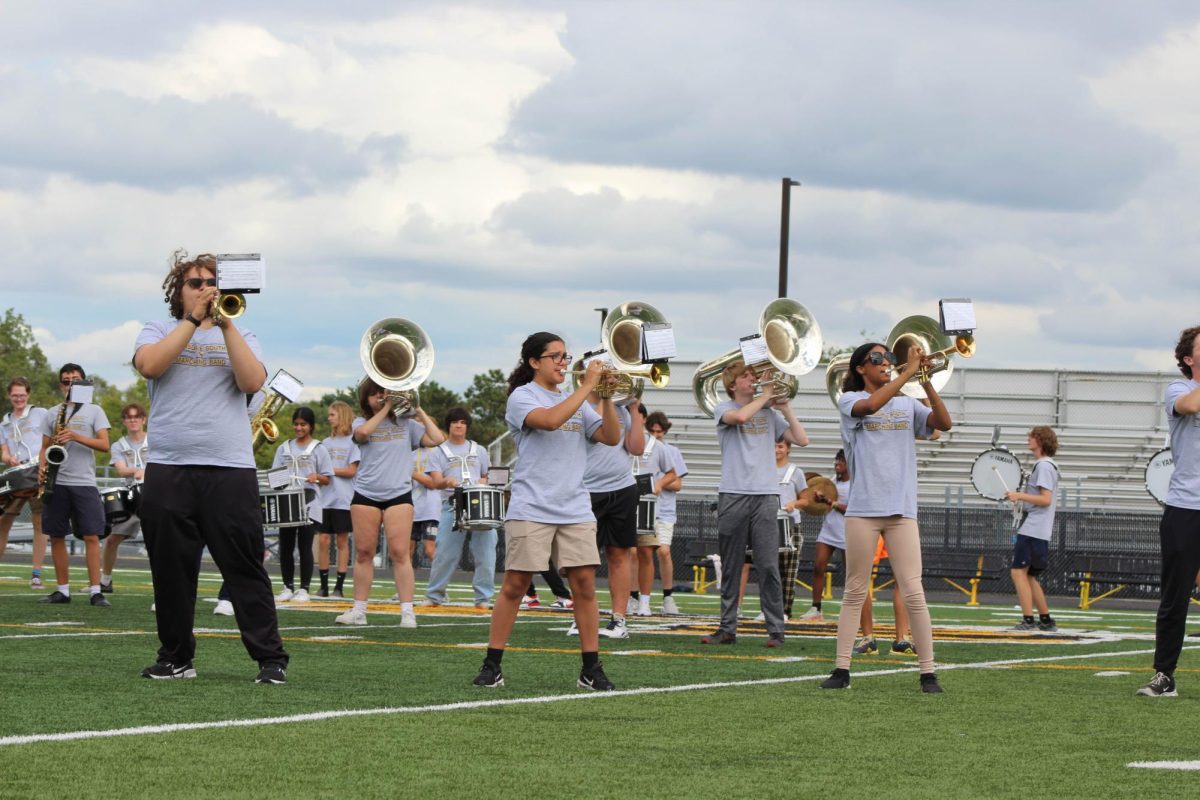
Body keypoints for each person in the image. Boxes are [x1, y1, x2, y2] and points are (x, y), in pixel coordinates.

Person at [134, 249, 289, 683]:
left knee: (244, 567)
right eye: (195, 283)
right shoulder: (159, 329)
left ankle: (270, 658)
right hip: (170, 467)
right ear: (178, 292)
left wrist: (225, 323)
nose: (204, 289)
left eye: (210, 282)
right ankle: (176, 657)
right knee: (171, 571)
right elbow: (150, 365)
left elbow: (252, 382)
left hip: (229, 468)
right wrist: (191, 321)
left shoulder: (243, 333)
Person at [472, 332, 619, 690]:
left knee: (584, 586)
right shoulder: (522, 397)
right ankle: (492, 665)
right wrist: (587, 387)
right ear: (534, 362)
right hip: (532, 504)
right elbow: (551, 420)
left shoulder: (578, 400)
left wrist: (607, 398)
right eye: (555, 356)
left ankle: (591, 668)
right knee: (515, 586)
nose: (562, 363)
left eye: (565, 357)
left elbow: (612, 438)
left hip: (574, 506)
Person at [821, 341, 951, 693]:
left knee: (914, 591)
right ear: (860, 368)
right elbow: (870, 406)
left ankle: (928, 672)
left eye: (888, 358)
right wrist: (907, 371)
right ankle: (842, 670)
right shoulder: (849, 400)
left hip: (901, 510)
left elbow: (944, 423)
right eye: (876, 359)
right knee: (854, 590)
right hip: (863, 511)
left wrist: (924, 381)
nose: (885, 363)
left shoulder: (908, 403)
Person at [701, 360, 808, 648]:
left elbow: (802, 439)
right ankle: (727, 628)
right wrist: (765, 396)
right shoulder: (723, 408)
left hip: (765, 495)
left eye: (753, 375)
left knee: (768, 565)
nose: (753, 379)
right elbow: (739, 418)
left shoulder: (769, 413)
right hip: (733, 493)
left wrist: (784, 407)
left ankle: (776, 629)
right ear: (733, 385)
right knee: (732, 565)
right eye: (747, 376)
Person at [333, 379, 444, 627]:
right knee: (363, 553)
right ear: (366, 399)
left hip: (399, 495)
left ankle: (407, 612)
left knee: (400, 553)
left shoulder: (407, 425)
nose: (380, 397)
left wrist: (418, 409)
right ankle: (359, 610)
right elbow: (361, 435)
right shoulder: (361, 423)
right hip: (366, 494)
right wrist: (385, 408)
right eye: (373, 394)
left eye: (383, 393)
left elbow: (437, 438)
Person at [1138, 326, 1200, 697]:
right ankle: (1164, 675)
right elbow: (1192, 406)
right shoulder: (1178, 390)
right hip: (1186, 505)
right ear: (1189, 359)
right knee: (1174, 596)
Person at [36, 363, 111, 606]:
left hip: (84, 481)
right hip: (57, 481)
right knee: (56, 535)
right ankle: (63, 590)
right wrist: (41, 468)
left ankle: (95, 591)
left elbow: (104, 445)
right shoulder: (52, 412)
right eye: (66, 381)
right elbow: (45, 447)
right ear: (61, 385)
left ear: (84, 383)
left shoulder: (95, 411)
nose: (71, 384)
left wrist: (75, 435)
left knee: (91, 535)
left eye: (75, 380)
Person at [581, 370, 645, 639]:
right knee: (582, 561)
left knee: (619, 555)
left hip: (622, 488)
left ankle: (618, 620)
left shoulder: (622, 410)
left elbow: (637, 448)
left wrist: (634, 407)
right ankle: (583, 617)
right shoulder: (580, 406)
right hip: (585, 490)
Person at [424, 408, 496, 609]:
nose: (459, 425)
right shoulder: (439, 452)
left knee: (486, 553)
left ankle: (483, 598)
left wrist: (482, 482)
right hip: (452, 505)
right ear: (449, 425)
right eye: (455, 422)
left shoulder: (479, 449)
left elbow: (487, 475)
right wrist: (446, 481)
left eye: (463, 422)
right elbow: (435, 481)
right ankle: (434, 595)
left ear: (467, 426)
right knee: (445, 553)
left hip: (480, 504)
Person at [271, 406, 333, 603]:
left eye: (303, 424)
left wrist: (316, 476)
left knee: (305, 546)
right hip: (287, 502)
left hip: (310, 502)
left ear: (311, 426)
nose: (299, 428)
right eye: (296, 424)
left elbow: (327, 479)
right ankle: (287, 586)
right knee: (286, 545)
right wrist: (280, 481)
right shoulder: (284, 447)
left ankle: (304, 588)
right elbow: (275, 475)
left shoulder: (319, 448)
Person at [1006, 426, 1060, 633]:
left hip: (1033, 529)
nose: (1029, 439)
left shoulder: (1044, 466)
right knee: (1029, 575)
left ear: (1041, 441)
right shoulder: (1047, 466)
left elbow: (1045, 499)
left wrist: (1020, 495)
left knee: (1018, 572)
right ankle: (1045, 620)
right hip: (1039, 529)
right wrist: (1021, 501)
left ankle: (1028, 620)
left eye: (1033, 437)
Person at [0, 377, 49, 583]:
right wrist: (8, 458)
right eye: (14, 395)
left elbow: (50, 440)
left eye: (22, 395)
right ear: (9, 396)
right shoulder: (5, 421)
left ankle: (36, 573)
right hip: (16, 476)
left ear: (28, 395)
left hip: (38, 472)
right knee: (4, 520)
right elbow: (3, 451)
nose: (18, 398)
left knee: (39, 521)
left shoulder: (41, 413)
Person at [631, 407, 678, 617]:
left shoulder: (657, 447)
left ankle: (645, 601)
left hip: (648, 506)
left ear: (643, 419)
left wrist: (658, 484)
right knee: (624, 553)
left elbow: (673, 475)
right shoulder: (618, 439)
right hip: (622, 502)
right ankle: (627, 599)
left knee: (646, 552)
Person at [100, 402, 148, 593]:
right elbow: (121, 470)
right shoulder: (118, 445)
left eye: (137, 416)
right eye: (129, 417)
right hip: (131, 496)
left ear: (143, 419)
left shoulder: (155, 440)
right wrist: (140, 470)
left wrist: (146, 472)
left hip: (154, 495)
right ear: (124, 421)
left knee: (159, 541)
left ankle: (167, 583)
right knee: (112, 540)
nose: (133, 420)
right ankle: (105, 580)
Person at [798, 449, 850, 622]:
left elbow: (851, 511)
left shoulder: (855, 484)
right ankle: (816, 608)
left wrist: (828, 501)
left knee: (851, 573)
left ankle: (854, 608)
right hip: (828, 531)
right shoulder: (831, 483)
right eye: (836, 460)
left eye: (841, 460)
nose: (837, 463)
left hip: (847, 533)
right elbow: (819, 506)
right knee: (818, 567)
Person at [642, 411, 686, 614]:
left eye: (659, 431)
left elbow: (678, 484)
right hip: (643, 507)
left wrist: (659, 483)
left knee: (664, 551)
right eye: (652, 431)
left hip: (665, 509)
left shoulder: (671, 451)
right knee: (640, 553)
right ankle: (639, 597)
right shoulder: (641, 447)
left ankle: (668, 596)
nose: (655, 435)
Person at [316, 401, 359, 598]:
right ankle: (323, 586)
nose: (329, 418)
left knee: (342, 541)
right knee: (323, 540)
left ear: (342, 415)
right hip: (324, 499)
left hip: (344, 498)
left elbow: (351, 471)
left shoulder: (353, 442)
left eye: (332, 414)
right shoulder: (325, 443)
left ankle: (339, 587)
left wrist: (329, 470)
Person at [409, 447, 440, 568]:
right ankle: (407, 584)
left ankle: (440, 582)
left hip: (431, 510)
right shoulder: (410, 455)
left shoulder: (438, 453)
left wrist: (411, 472)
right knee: (407, 551)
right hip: (412, 508)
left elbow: (433, 483)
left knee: (430, 549)